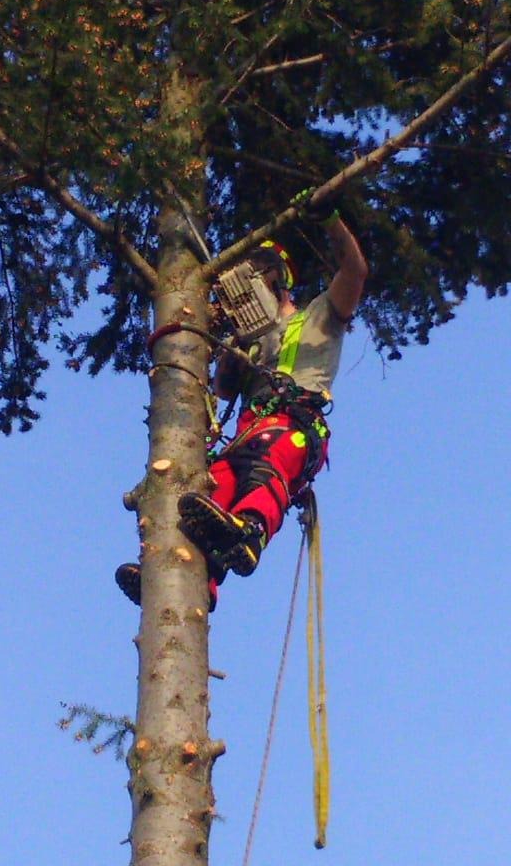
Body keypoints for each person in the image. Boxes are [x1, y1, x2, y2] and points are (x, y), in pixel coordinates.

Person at [116, 210, 367, 609]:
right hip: (247, 433)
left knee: (265, 465)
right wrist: (232, 350)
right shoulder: (249, 341)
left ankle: (250, 532)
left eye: (261, 271)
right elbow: (223, 387)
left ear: (278, 280)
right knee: (209, 489)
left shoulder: (319, 317)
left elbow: (354, 271)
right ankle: (184, 575)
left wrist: (332, 220)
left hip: (291, 424)